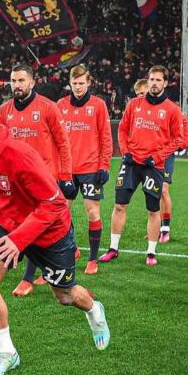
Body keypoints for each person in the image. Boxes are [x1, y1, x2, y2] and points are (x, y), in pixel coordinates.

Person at [0, 117, 110, 375]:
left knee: (65, 296)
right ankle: (8, 352)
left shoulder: (18, 156)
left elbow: (55, 204)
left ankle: (94, 310)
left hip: (50, 231)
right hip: (9, 221)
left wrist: (19, 239)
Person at [0, 64, 75, 297]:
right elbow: (1, 147)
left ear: (32, 82)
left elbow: (63, 144)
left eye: (21, 80)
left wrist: (66, 177)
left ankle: (27, 278)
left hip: (44, 181)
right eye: (13, 81)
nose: (17, 85)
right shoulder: (4, 110)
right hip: (16, 182)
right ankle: (65, 247)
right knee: (26, 223)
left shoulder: (48, 108)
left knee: (36, 226)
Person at [100, 66, 184, 266]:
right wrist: (125, 151)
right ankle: (113, 248)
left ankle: (151, 252)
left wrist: (157, 157)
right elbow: (122, 129)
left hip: (154, 165)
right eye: (151, 79)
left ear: (165, 83)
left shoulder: (172, 109)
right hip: (131, 162)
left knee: (153, 210)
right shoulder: (134, 104)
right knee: (119, 205)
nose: (154, 83)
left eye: (158, 80)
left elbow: (178, 140)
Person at [56, 65, 112, 275]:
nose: (78, 87)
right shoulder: (60, 105)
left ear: (89, 83)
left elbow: (106, 136)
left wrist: (104, 165)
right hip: (67, 170)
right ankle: (72, 249)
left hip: (90, 169)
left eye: (81, 83)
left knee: (92, 212)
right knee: (61, 214)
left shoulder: (98, 105)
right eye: (75, 83)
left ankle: (92, 259)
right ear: (70, 83)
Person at [159, 104, 188, 244]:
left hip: (166, 155)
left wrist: (177, 144)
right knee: (153, 192)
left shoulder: (174, 111)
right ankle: (156, 227)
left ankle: (165, 229)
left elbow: (184, 140)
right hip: (149, 154)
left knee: (164, 190)